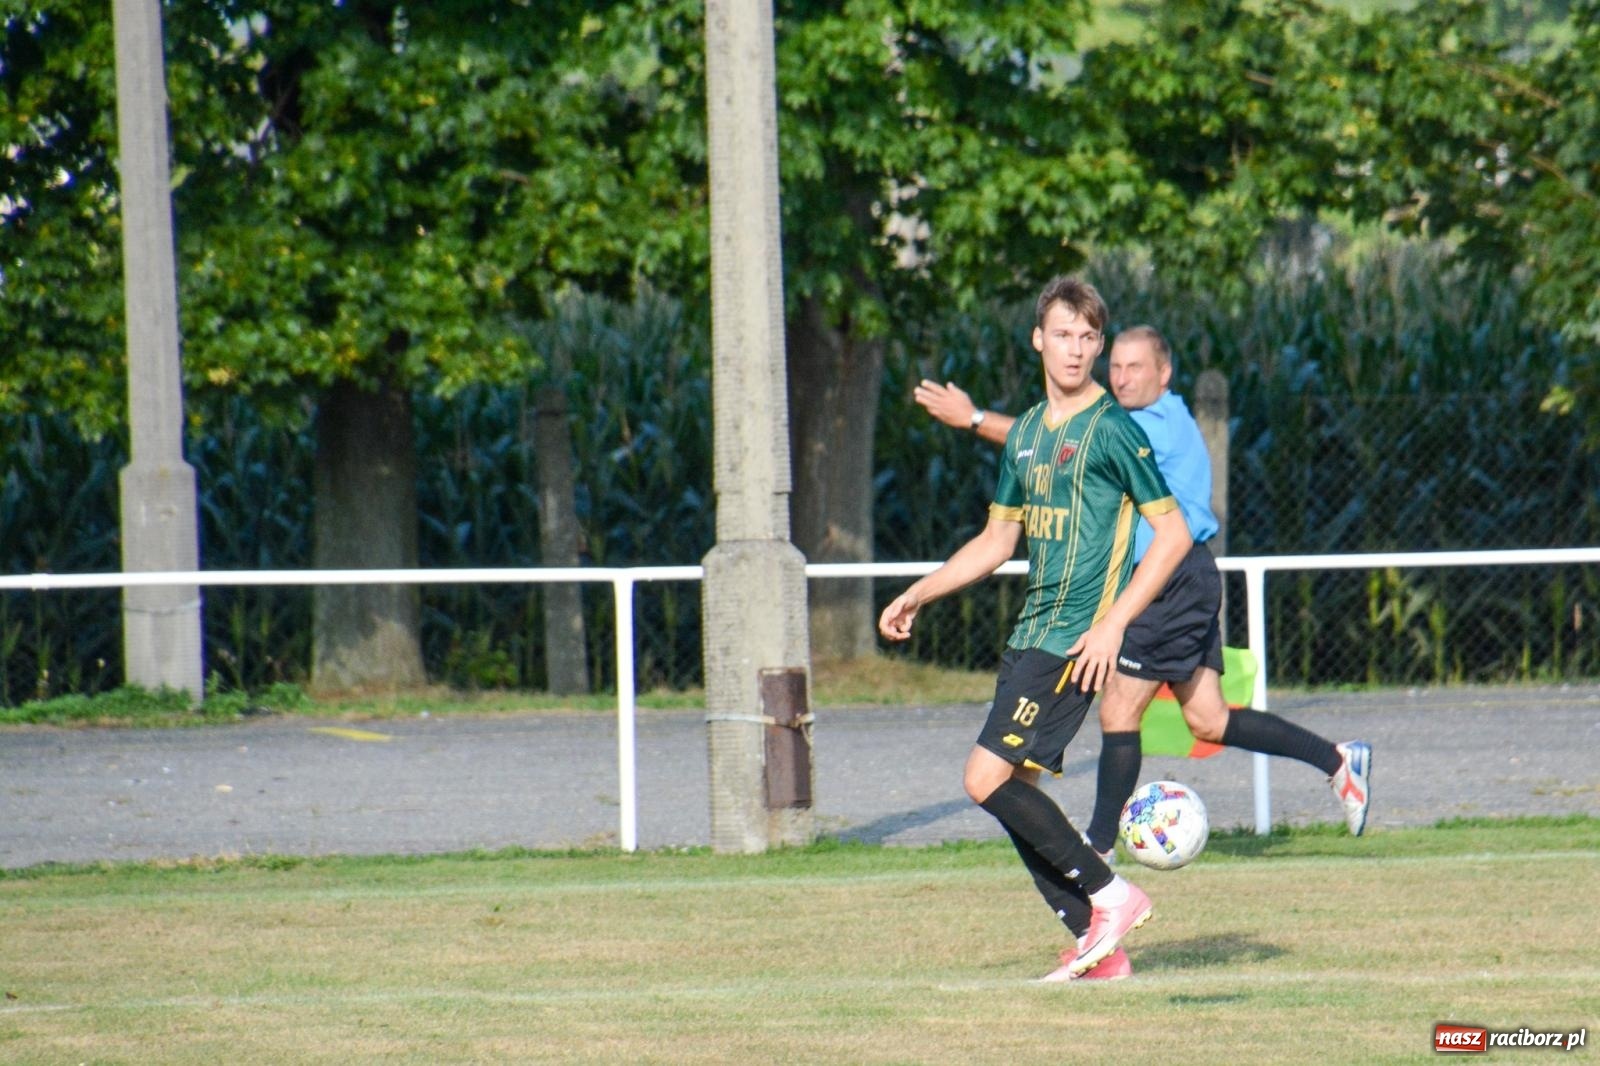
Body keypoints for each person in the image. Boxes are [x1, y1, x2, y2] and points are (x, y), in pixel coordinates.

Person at [915, 328, 1374, 862]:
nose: (1122, 377)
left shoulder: (1147, 424)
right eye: (1116, 366)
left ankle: (1099, 847)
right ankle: (1339, 761)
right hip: (1180, 577)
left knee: (1118, 708)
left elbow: (1057, 444)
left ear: (1164, 373)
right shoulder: (1140, 419)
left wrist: (973, 418)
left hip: (1168, 581)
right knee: (1209, 719)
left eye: (1136, 367)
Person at [880, 277, 1193, 984]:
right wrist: (919, 592)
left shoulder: (1113, 430)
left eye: (1088, 337)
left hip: (1073, 641)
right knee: (1015, 793)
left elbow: (1172, 536)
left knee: (983, 778)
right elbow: (997, 542)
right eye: (1062, 334)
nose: (1075, 349)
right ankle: (1096, 944)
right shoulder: (1024, 434)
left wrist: (1113, 625)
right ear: (1038, 340)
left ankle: (1111, 895)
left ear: (1099, 345)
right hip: (1032, 633)